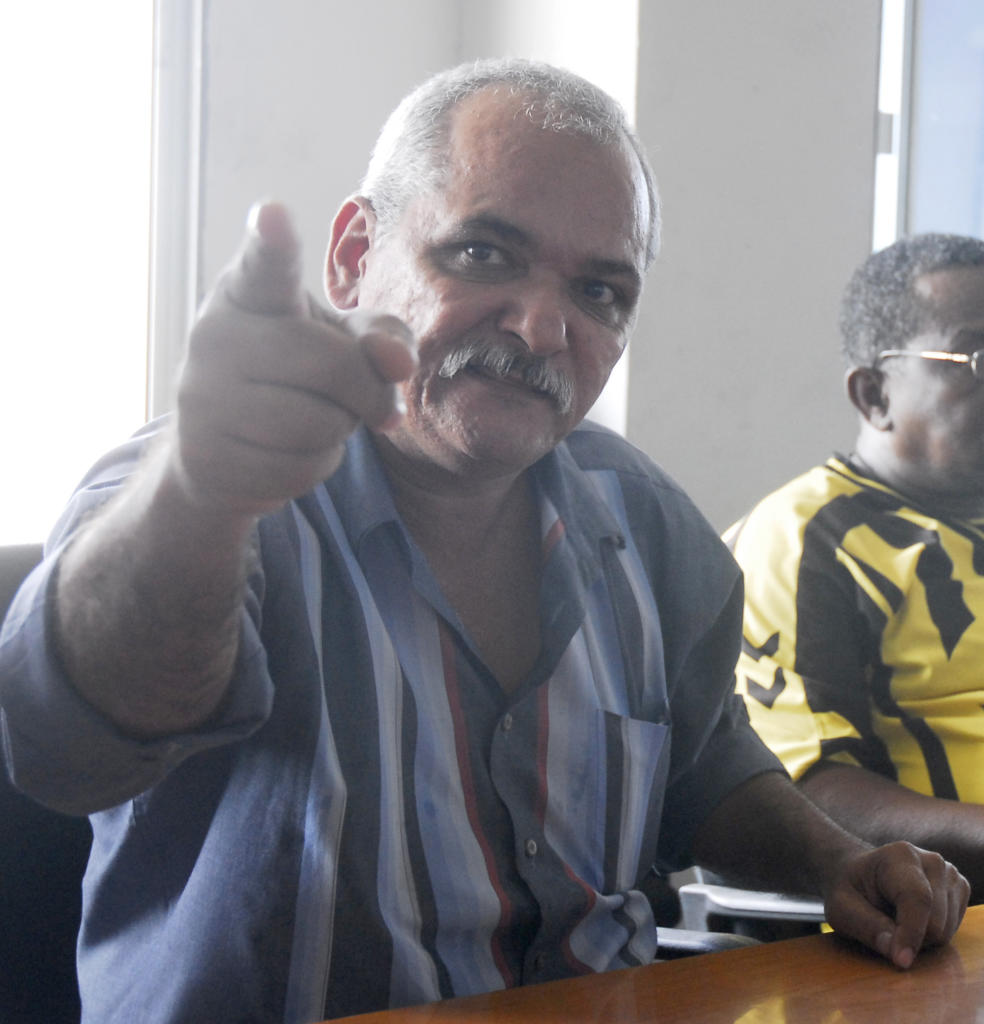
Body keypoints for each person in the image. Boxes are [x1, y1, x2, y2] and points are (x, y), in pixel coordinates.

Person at [0, 60, 968, 1024]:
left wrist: (837, 861)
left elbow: (702, 762)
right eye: (482, 255)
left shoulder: (640, 516)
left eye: (600, 291)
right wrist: (202, 495)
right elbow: (67, 750)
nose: (545, 325)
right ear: (351, 256)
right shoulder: (200, 486)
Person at [730, 233, 984, 902]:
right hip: (930, 934)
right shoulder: (808, 538)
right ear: (875, 393)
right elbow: (804, 790)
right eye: (978, 354)